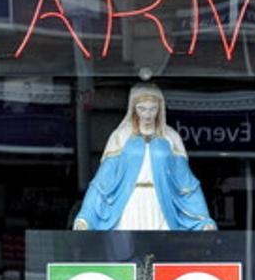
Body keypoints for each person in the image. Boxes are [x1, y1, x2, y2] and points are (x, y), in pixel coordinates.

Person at [73, 83, 217, 230]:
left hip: (161, 204)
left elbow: (186, 182)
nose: (147, 115)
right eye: (142, 108)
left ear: (159, 109)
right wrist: (86, 217)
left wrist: (203, 218)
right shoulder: (121, 136)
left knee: (161, 250)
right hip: (129, 203)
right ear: (134, 109)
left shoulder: (171, 137)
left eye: (153, 109)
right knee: (127, 249)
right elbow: (103, 181)